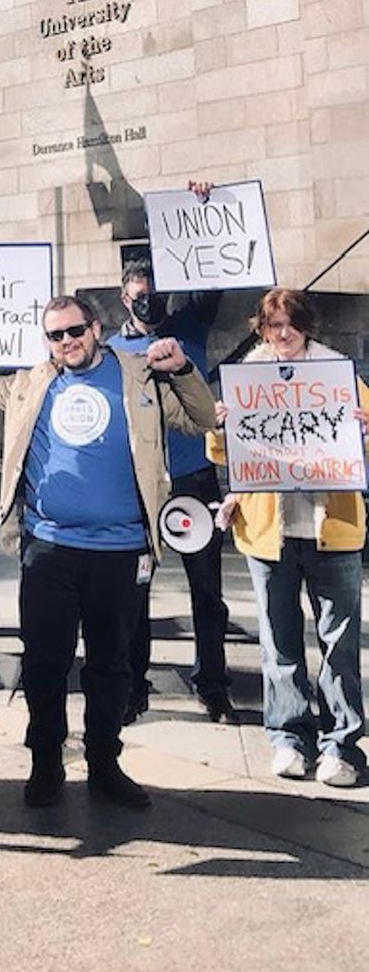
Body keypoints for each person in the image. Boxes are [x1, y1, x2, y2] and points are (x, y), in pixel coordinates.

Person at [0, 292, 217, 809]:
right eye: (56, 335)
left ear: (96, 328)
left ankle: (105, 763)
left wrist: (185, 368)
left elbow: (201, 419)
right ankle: (45, 762)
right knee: (44, 663)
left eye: (74, 331)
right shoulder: (30, 382)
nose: (67, 342)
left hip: (122, 549)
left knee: (111, 665)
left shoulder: (140, 373)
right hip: (49, 549)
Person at [209, 288, 368, 787]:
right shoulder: (247, 382)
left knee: (338, 643)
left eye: (290, 324)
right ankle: (287, 737)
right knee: (279, 644)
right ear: (261, 329)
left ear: (306, 327)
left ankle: (341, 744)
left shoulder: (341, 378)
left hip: (334, 531)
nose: (282, 334)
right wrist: (220, 428)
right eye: (273, 325)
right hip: (266, 533)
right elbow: (221, 455)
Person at [107, 189, 233, 724]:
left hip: (194, 479)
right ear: (124, 297)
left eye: (157, 296)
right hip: (140, 487)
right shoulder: (110, 350)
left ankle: (214, 684)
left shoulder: (190, 328)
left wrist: (202, 210)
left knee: (208, 593)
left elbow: (213, 276)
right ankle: (135, 687)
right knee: (136, 596)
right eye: (140, 296)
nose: (149, 304)